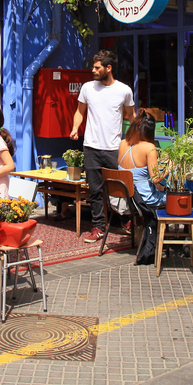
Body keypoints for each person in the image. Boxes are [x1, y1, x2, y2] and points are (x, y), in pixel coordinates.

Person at [70, 50, 135, 243]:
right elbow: (79, 112)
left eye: (97, 67)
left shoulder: (124, 90)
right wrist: (75, 127)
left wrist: (135, 140)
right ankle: (98, 226)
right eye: (93, 67)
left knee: (121, 186)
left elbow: (132, 116)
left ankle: (126, 219)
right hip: (91, 146)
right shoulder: (88, 88)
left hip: (114, 147)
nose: (93, 70)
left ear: (109, 68)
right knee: (95, 190)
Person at [117, 113, 164, 265]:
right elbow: (156, 178)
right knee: (180, 197)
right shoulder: (149, 148)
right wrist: (169, 167)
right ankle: (177, 240)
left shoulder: (123, 143)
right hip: (144, 199)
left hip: (125, 197)